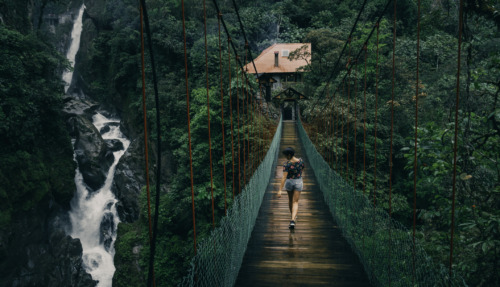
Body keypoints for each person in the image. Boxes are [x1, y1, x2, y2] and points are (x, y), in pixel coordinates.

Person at [278, 147, 305, 229]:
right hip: (298, 182)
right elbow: (302, 169)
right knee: (295, 202)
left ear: (289, 155)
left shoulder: (287, 164)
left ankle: (292, 217)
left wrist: (280, 190)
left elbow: (284, 177)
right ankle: (293, 219)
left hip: (289, 182)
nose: (285, 157)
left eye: (286, 155)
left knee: (290, 201)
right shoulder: (301, 161)